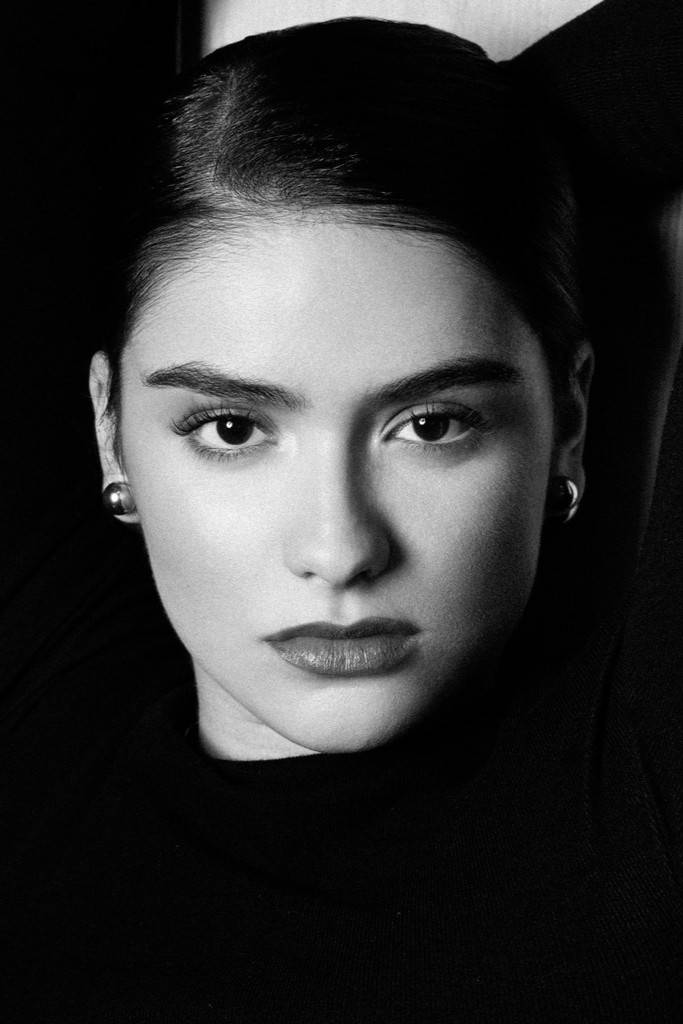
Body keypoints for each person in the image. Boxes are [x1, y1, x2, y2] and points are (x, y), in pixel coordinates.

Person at [1, 1, 682, 1020]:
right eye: (232, 428)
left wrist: (478, 153)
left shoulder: (645, 809)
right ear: (110, 430)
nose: (339, 549)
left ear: (568, 420)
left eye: (432, 424)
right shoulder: (33, 698)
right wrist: (442, 148)